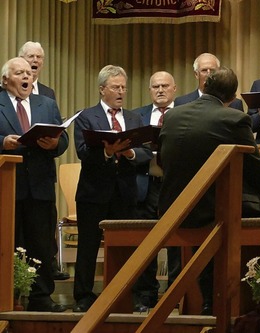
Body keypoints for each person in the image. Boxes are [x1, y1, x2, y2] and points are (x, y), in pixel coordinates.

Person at [158, 66, 260, 315]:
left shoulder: (173, 116)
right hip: (212, 208)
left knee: (210, 228)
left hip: (175, 208)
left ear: (204, 87)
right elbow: (256, 168)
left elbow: (164, 162)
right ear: (233, 97)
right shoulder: (233, 118)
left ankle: (208, 302)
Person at [72, 65, 153, 312]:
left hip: (125, 193)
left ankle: (127, 295)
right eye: (115, 87)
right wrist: (107, 151)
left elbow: (146, 152)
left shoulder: (134, 118)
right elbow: (83, 152)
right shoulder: (86, 116)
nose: (120, 92)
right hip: (93, 193)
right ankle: (84, 297)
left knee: (128, 247)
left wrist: (129, 153)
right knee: (88, 246)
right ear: (102, 89)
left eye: (123, 87)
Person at [0, 57, 68, 312]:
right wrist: (2, 142)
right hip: (7, 185)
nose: (27, 77)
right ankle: (7, 295)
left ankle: (41, 298)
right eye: (19, 73)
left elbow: (63, 138)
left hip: (40, 186)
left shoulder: (47, 104)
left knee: (40, 243)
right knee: (7, 242)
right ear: (6, 80)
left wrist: (55, 145)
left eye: (29, 73)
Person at [19, 41, 69, 281]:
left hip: (41, 174)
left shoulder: (48, 95)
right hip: (15, 174)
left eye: (39, 57)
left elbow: (59, 129)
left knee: (44, 227)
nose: (35, 61)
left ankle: (47, 268)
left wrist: (56, 144)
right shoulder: (2, 95)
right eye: (30, 56)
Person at [130, 71, 177, 312]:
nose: (160, 90)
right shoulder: (137, 115)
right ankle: (146, 294)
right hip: (145, 185)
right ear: (149, 90)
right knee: (145, 241)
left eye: (165, 86)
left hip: (176, 185)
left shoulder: (183, 113)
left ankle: (176, 291)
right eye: (155, 86)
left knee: (177, 241)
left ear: (174, 89)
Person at [174, 52, 243, 111]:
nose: (208, 74)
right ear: (196, 74)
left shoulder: (234, 104)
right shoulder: (182, 102)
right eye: (204, 70)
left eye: (212, 70)